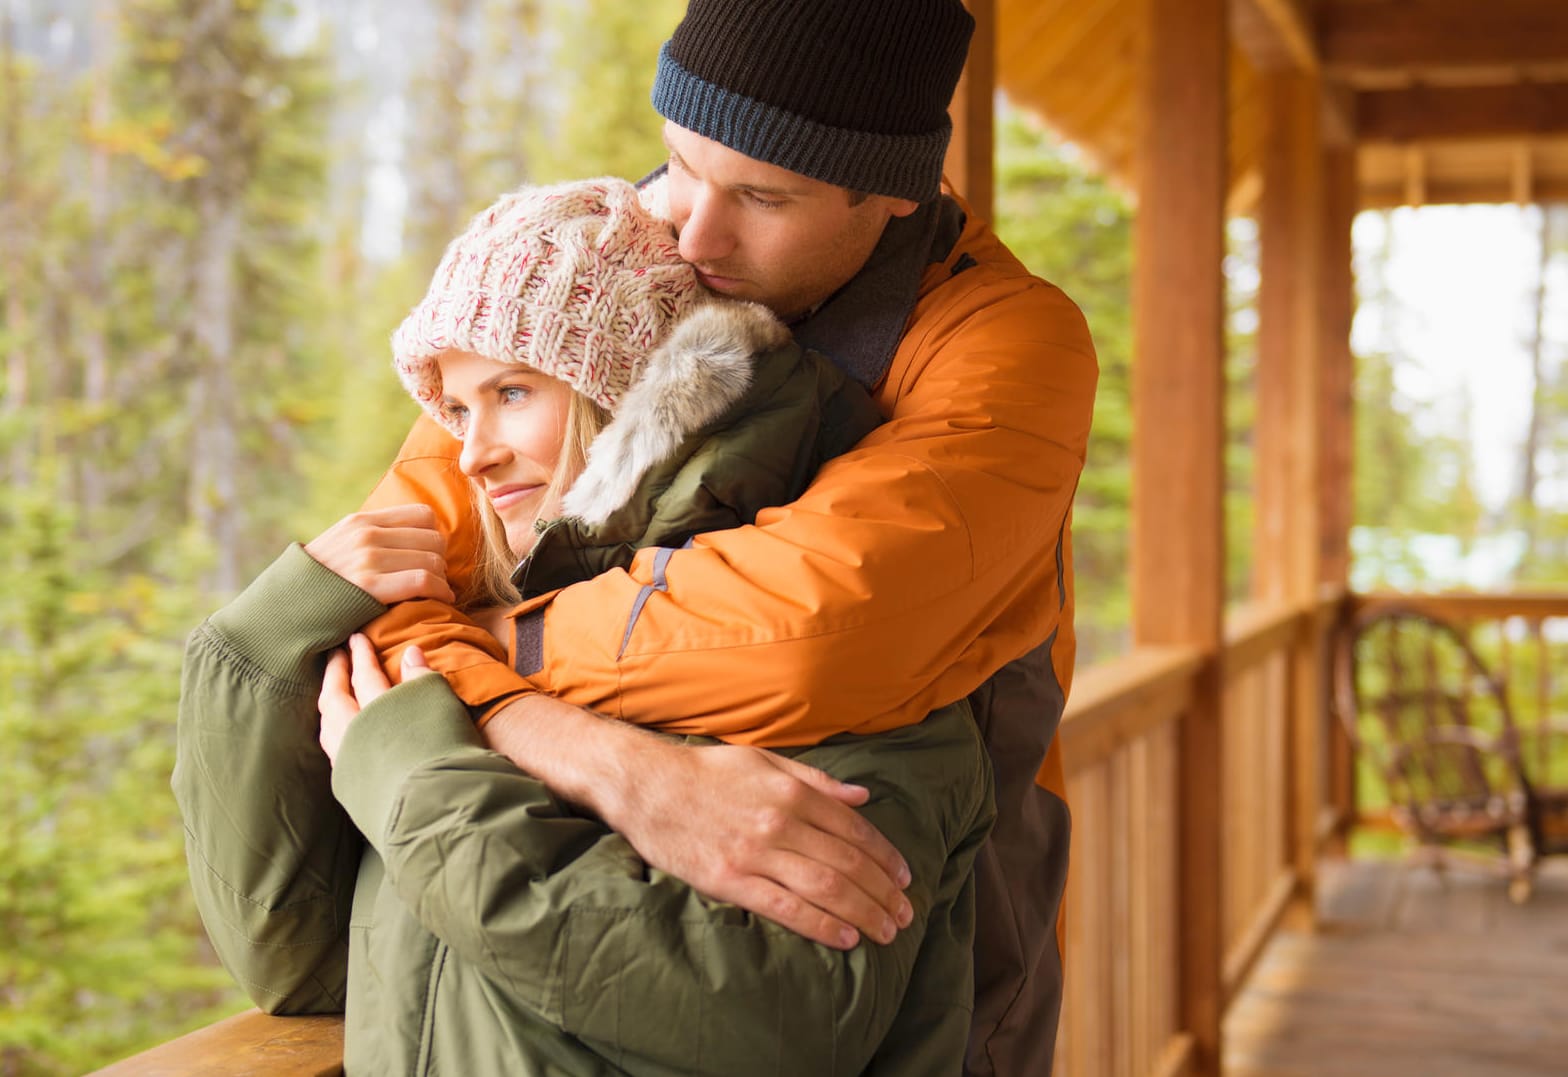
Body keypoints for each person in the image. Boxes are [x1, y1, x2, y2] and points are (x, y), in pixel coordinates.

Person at [354, 3, 1099, 1073]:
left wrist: (487, 657)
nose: (692, 234)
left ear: (893, 191)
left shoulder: (1005, 342)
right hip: (557, 958)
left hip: (913, 941)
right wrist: (599, 760)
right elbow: (384, 578)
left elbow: (814, 637)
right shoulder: (606, 266)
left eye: (762, 195)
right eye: (678, 165)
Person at [175, 178, 996, 1075]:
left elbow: (766, 1016)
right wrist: (255, 651)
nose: (470, 453)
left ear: (639, 401)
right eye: (456, 408)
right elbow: (295, 963)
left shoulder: (839, 651)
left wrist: (415, 779)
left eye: (513, 392)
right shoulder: (466, 638)